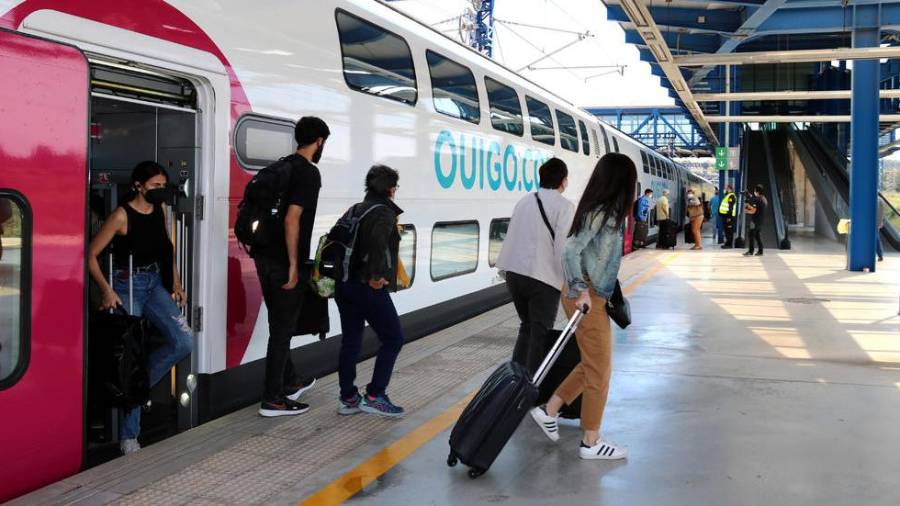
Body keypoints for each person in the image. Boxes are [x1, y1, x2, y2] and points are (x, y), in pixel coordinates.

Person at [530, 152, 637, 461]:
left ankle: (549, 411)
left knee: (591, 363)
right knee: (600, 370)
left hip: (590, 293)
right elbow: (570, 250)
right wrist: (581, 291)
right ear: (621, 182)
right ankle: (591, 441)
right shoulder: (603, 211)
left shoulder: (604, 209)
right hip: (585, 294)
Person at [88, 161, 193, 454]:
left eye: (163, 186)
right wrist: (107, 291)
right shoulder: (122, 216)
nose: (160, 191)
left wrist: (177, 283)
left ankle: (140, 382)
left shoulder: (159, 211)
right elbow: (91, 255)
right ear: (138, 185)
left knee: (184, 341)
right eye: (155, 186)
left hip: (153, 283)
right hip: (126, 285)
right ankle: (129, 436)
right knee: (130, 359)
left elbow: (167, 248)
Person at [253, 117, 329, 417]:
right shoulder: (308, 173)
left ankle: (291, 380)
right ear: (320, 141)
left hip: (264, 259)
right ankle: (273, 399)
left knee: (279, 325)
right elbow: (292, 219)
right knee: (282, 332)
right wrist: (295, 265)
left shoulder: (281, 166)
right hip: (284, 263)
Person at [335, 165, 407, 417]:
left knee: (351, 341)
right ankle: (375, 395)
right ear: (389, 188)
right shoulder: (383, 213)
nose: (396, 191)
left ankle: (348, 398)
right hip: (368, 286)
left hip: (344, 285)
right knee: (394, 338)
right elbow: (378, 244)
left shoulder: (356, 209)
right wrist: (376, 276)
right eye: (395, 186)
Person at [496, 158, 575, 375]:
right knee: (540, 333)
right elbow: (562, 246)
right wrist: (570, 281)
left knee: (527, 327)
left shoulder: (524, 200)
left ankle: (513, 380)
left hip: (514, 274)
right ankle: (530, 388)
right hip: (542, 278)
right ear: (563, 181)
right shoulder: (564, 206)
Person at [743, 184, 767, 256]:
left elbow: (753, 211)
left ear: (757, 191)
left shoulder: (757, 199)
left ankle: (750, 251)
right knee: (757, 236)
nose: (754, 192)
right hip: (760, 220)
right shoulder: (763, 199)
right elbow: (757, 208)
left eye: (755, 190)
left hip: (755, 221)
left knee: (751, 235)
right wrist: (749, 203)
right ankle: (760, 251)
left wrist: (747, 210)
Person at [719, 184, 737, 249]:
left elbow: (730, 207)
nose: (725, 189)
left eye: (726, 188)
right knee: (727, 230)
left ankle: (729, 245)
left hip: (729, 217)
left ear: (729, 188)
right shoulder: (728, 195)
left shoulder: (731, 196)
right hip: (726, 216)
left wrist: (729, 217)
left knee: (729, 231)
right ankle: (727, 243)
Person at [876, 198, 885, 262]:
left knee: (876, 238)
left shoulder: (875, 200)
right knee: (876, 238)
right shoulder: (881, 200)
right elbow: (883, 212)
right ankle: (880, 255)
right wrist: (881, 221)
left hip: (874, 223)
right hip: (877, 222)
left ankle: (880, 255)